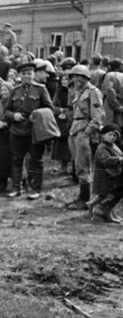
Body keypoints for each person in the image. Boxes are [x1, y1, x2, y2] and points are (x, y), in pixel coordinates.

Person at [4, 62, 54, 200]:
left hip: (34, 132)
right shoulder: (15, 91)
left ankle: (35, 189)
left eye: (29, 73)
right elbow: (6, 110)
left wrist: (37, 114)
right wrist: (13, 116)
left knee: (35, 160)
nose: (26, 76)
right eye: (24, 74)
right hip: (17, 130)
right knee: (16, 159)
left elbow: (50, 108)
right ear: (19, 75)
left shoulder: (41, 89)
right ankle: (16, 187)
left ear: (33, 74)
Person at [65, 65, 104, 211]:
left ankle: (85, 199)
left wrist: (88, 131)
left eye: (80, 77)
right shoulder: (78, 92)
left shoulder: (93, 92)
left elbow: (98, 115)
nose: (76, 79)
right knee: (77, 164)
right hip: (75, 129)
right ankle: (81, 196)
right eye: (74, 77)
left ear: (86, 78)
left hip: (84, 131)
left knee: (83, 166)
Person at [91, 123, 123, 222]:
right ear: (103, 135)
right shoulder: (102, 147)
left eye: (115, 136)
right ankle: (102, 211)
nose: (112, 137)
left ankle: (104, 210)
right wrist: (119, 159)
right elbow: (105, 160)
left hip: (112, 174)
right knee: (112, 194)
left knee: (109, 195)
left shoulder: (113, 146)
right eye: (110, 135)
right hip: (105, 176)